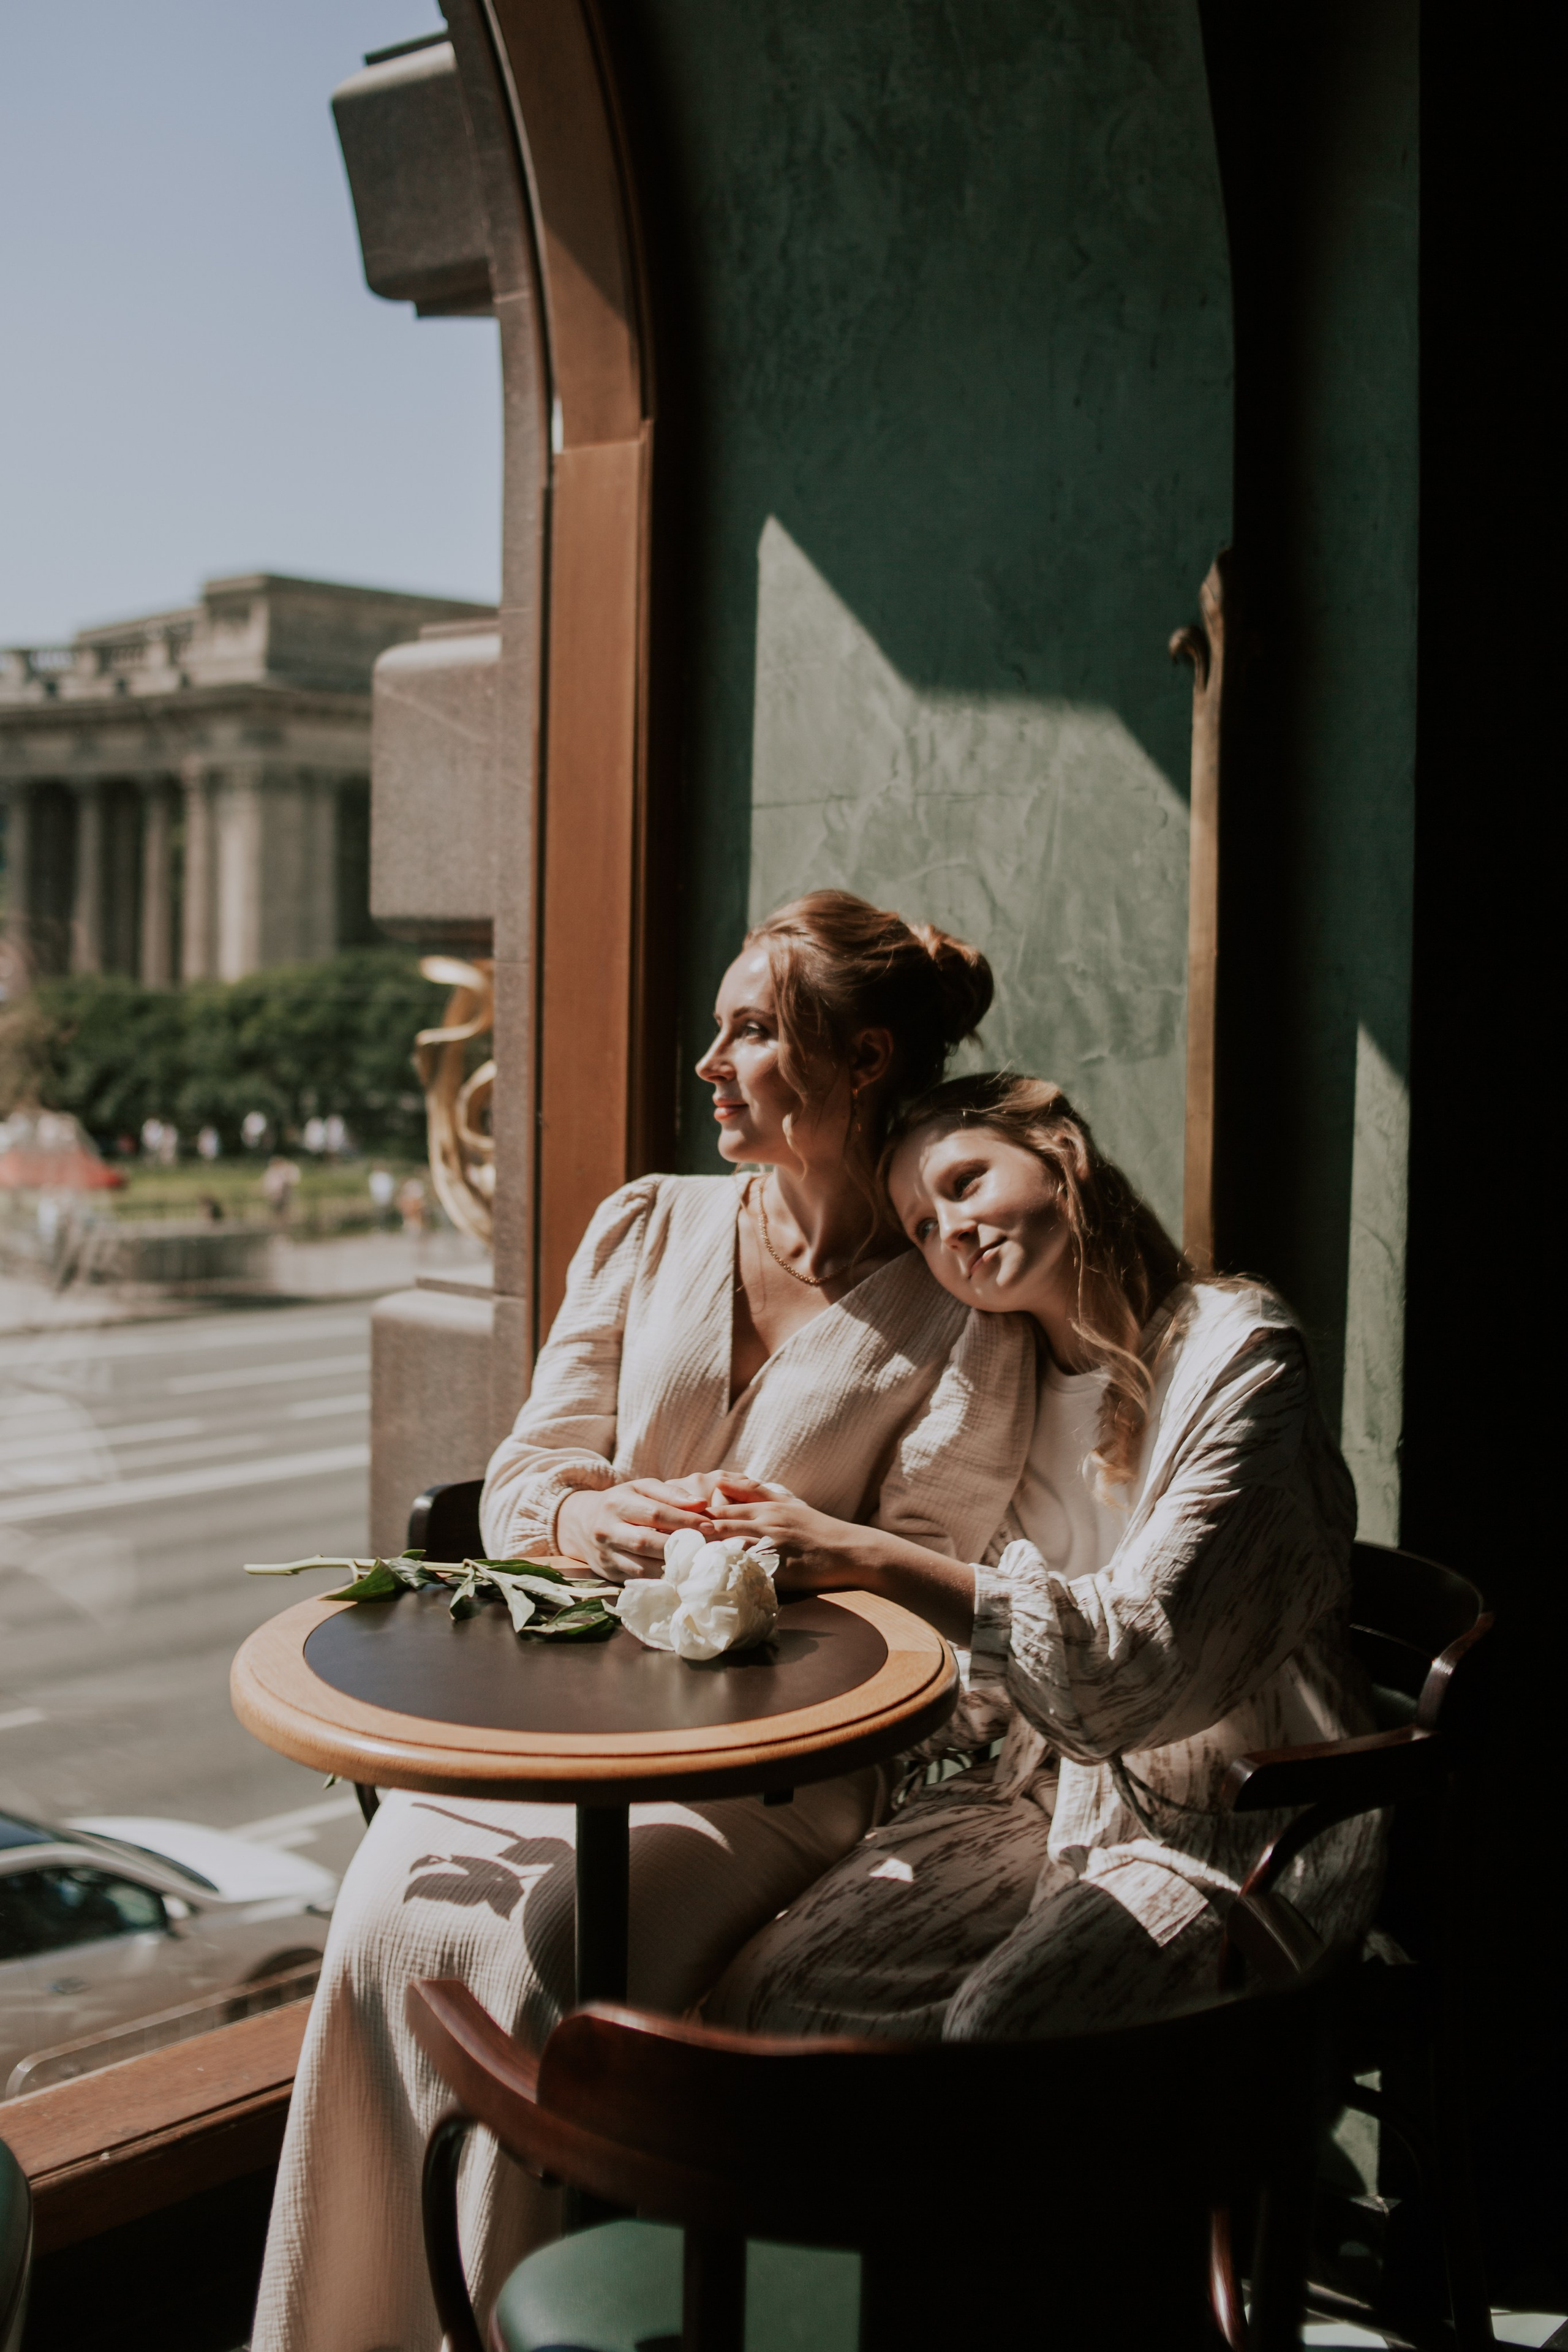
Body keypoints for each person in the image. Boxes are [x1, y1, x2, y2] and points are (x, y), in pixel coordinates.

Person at [252, 895, 1036, 2352]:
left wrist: (774, 1569)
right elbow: (525, 1474)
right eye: (718, 1028)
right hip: (558, 1724)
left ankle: (512, 2325)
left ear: (863, 1060)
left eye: (751, 1031)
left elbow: (929, 1592)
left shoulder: (961, 1310)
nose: (707, 1063)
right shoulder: (649, 1224)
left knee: (551, 1951)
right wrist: (583, 1523)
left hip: (779, 1774)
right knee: (381, 1914)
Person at [702, 1071, 1382, 2041]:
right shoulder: (999, 1380)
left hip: (1240, 1827)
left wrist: (865, 1557)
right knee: (771, 1992)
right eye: (922, 1227)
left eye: (965, 1183)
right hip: (1047, 1794)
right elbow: (984, 1689)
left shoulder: (1238, 1351)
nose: (951, 1230)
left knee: (1002, 2026)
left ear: (1062, 1156)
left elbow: (1137, 1670)